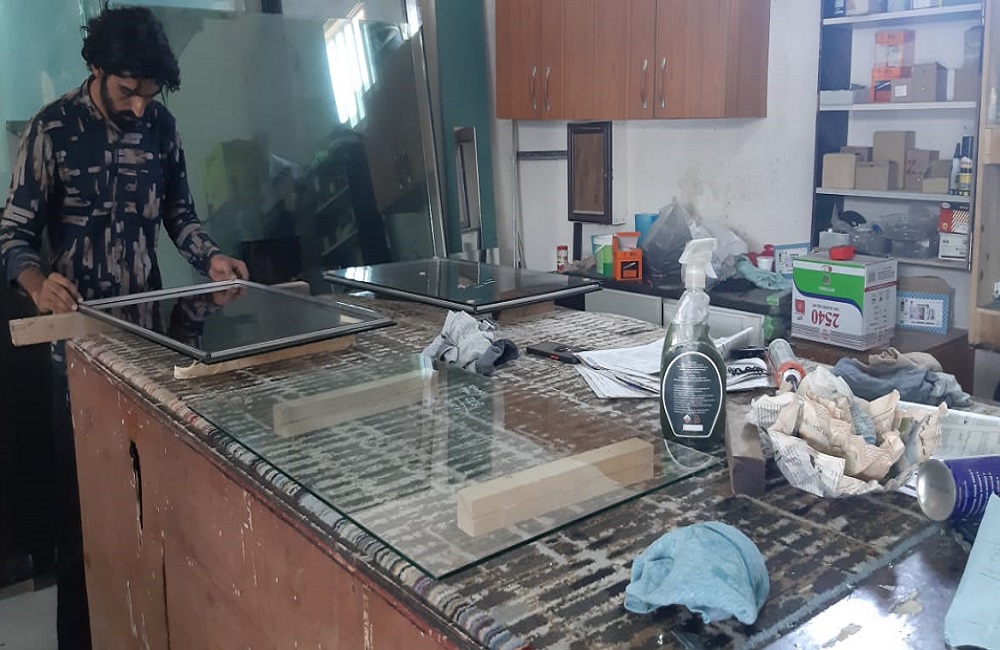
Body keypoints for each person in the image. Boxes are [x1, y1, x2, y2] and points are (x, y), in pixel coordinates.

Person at [0, 7, 247, 649]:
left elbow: (180, 215)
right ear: (96, 69)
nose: (139, 107)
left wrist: (211, 260)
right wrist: (37, 284)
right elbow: (13, 233)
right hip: (77, 353)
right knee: (83, 513)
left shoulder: (161, 128)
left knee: (151, 498)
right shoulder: (51, 129)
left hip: (148, 343)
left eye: (149, 94)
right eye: (127, 91)